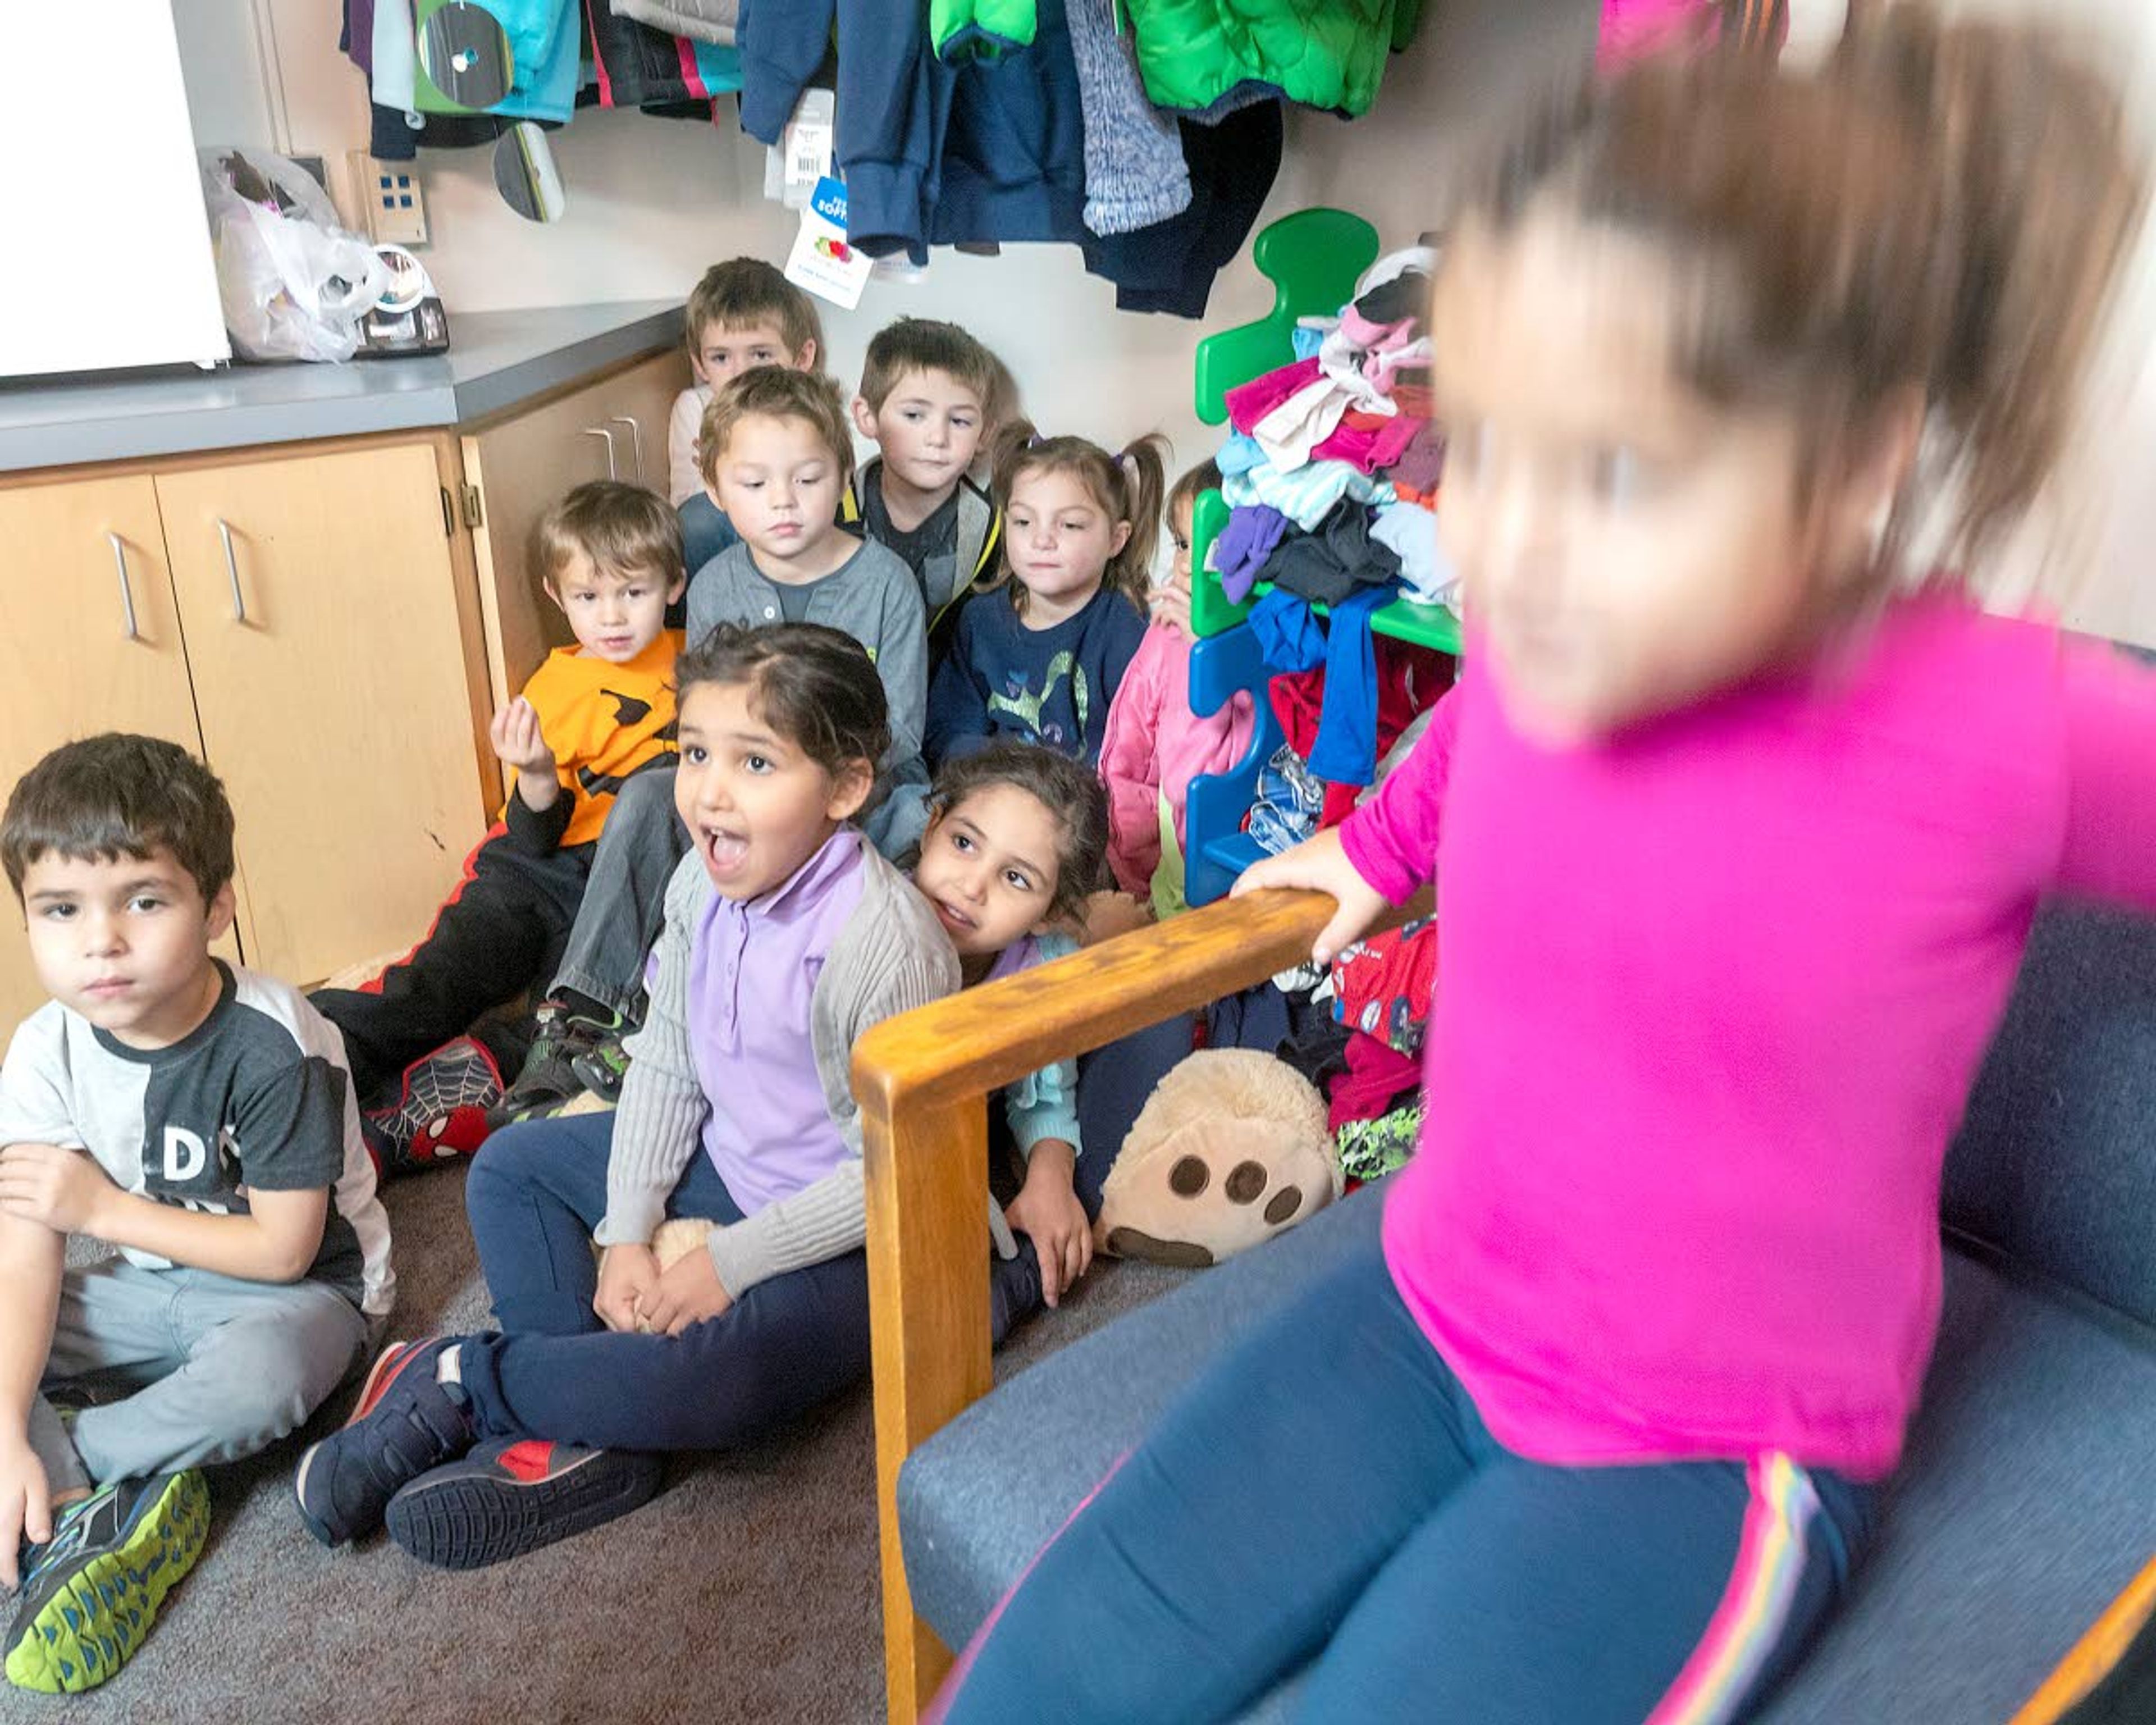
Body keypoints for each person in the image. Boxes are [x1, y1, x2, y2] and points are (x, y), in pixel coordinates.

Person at [928, 13, 2156, 1721]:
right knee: (1045, 1676)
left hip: (1703, 1450)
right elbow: (1471, 741)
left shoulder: (1999, 722)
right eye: (1480, 448)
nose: (1508, 539)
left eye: (1623, 471)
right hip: (1426, 1304)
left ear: (1851, 467)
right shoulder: (1563, 626)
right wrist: (1367, 849)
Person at [293, 626, 1016, 1571]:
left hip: (870, 1224)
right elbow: (669, 1060)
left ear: (845, 788)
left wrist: (734, 1264)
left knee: (731, 1377)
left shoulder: (888, 943)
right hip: (738, 1158)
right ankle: (583, 1437)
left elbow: (893, 1168)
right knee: (512, 1167)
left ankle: (465, 1381)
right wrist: (628, 1230)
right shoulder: (699, 880)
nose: (710, 789)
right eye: (696, 751)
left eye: (756, 761)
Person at [0, 736, 392, 1693]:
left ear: (217, 907)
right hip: (156, 1284)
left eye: (144, 899)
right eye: (61, 909)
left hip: (304, 1297)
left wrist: (103, 1205)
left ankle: (69, 1476)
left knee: (260, 1378)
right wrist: (8, 1418)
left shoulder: (273, 1041)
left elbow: (283, 1247)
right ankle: (75, 1480)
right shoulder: (44, 1045)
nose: (101, 941)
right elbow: (27, 1252)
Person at [495, 369, 934, 1121]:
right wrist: (729, 775)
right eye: (756, 483)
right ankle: (585, 1014)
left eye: (808, 478)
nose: (785, 502)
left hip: (856, 786)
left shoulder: (887, 581)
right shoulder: (717, 580)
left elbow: (897, 735)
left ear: (843, 473)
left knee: (920, 823)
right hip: (739, 777)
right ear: (718, 492)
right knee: (647, 794)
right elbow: (699, 717)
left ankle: (776, 1017)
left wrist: (793, 783)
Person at [311, 481, 684, 1168]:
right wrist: (538, 773)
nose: (612, 617)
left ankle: (407, 1113)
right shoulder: (554, 686)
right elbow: (534, 835)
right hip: (533, 870)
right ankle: (309, 1048)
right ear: (556, 595)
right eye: (588, 597)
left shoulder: (692, 667)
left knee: (571, 1024)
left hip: (612, 888)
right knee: (441, 980)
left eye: (633, 593)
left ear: (673, 584)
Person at [909, 742, 1111, 1309]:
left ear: (1049, 910)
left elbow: (1044, 1091)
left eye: (1016, 879)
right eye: (964, 843)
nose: (972, 886)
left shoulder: (1044, 962)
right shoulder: (873, 917)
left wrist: (1051, 1172)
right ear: (931, 829)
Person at [925, 426, 1158, 767]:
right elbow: (948, 732)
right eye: (1023, 522)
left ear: (1116, 540)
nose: (1041, 540)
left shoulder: (1126, 632)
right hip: (992, 791)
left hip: (1080, 807)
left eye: (1070, 525)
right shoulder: (981, 621)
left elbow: (1137, 760)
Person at [1098, 457, 1255, 918]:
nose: (1186, 563)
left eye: (1210, 545)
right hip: (1168, 849)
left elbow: (1225, 764)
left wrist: (1206, 654)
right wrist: (1126, 833)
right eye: (1183, 543)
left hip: (1226, 862)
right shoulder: (1166, 628)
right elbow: (1133, 732)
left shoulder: (1266, 642)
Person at [846, 316, 1010, 659]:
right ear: (867, 417)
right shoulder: (832, 506)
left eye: (960, 421)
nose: (938, 438)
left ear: (985, 435)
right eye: (914, 416)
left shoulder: (995, 532)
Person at [665, 258, 826, 576]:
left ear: (803, 357)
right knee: (696, 522)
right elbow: (689, 504)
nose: (741, 372)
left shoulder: (811, 407)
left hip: (797, 518)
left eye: (761, 355)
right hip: (727, 527)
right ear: (699, 363)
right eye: (721, 357)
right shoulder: (694, 407)